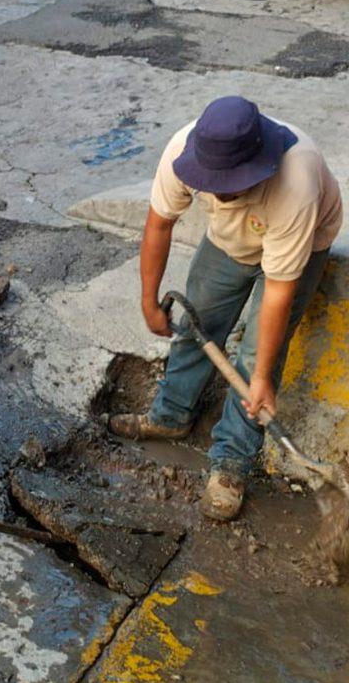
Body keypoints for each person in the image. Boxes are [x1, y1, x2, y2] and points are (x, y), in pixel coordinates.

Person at [110, 96, 342, 522]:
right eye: (210, 180)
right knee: (199, 320)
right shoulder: (182, 149)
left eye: (229, 182)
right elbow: (159, 224)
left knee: (258, 358)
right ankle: (171, 414)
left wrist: (259, 378)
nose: (217, 189)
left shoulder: (296, 183)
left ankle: (232, 463)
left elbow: (276, 292)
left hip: (301, 244)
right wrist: (148, 300)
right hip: (231, 239)